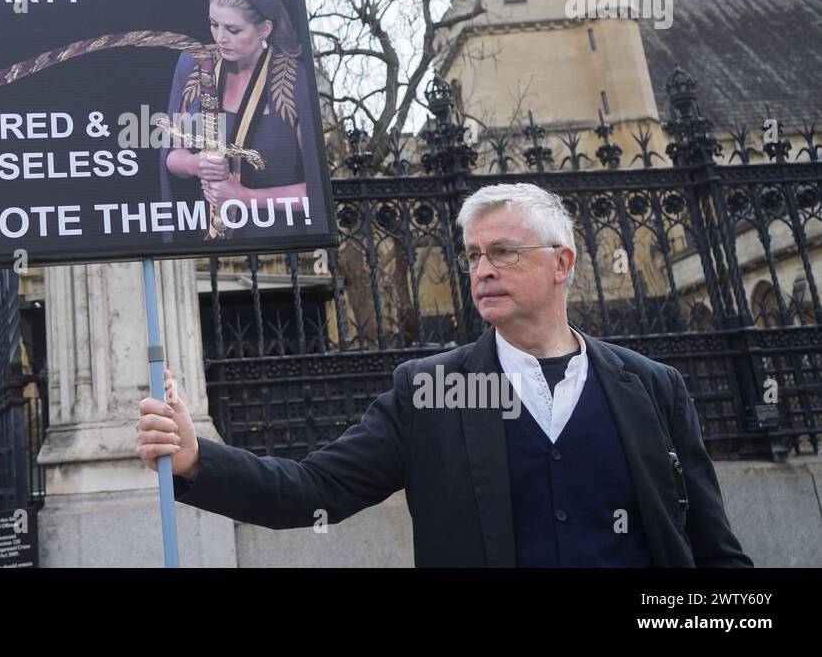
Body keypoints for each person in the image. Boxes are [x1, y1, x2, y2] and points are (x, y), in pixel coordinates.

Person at [135, 182, 752, 567]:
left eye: (503, 252)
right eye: (474, 256)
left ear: (562, 262)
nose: (482, 269)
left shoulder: (652, 387)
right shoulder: (430, 390)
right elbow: (310, 491)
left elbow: (714, 551)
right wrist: (197, 460)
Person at [159, 0, 324, 242]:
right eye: (214, 24)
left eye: (233, 30)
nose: (221, 38)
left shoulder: (297, 81)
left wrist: (245, 197)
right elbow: (171, 154)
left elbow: (317, 192)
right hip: (205, 244)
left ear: (265, 29)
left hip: (280, 245)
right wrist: (194, 164)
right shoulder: (192, 63)